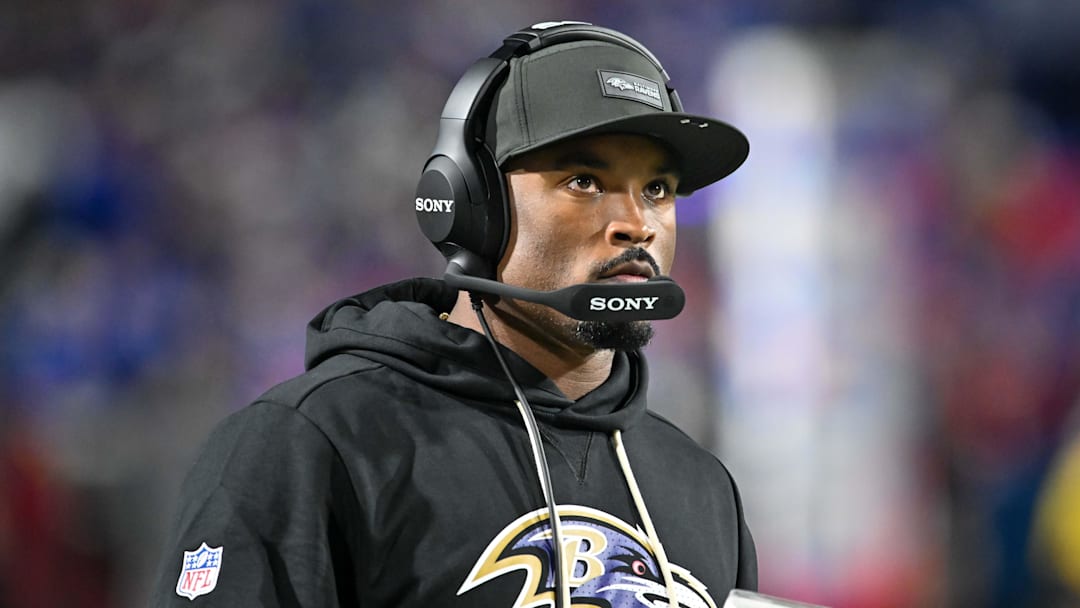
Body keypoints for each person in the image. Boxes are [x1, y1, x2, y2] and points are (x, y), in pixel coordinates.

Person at [151, 21, 757, 608]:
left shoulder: (703, 489)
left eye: (658, 189)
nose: (638, 224)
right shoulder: (311, 443)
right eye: (584, 180)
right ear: (472, 207)